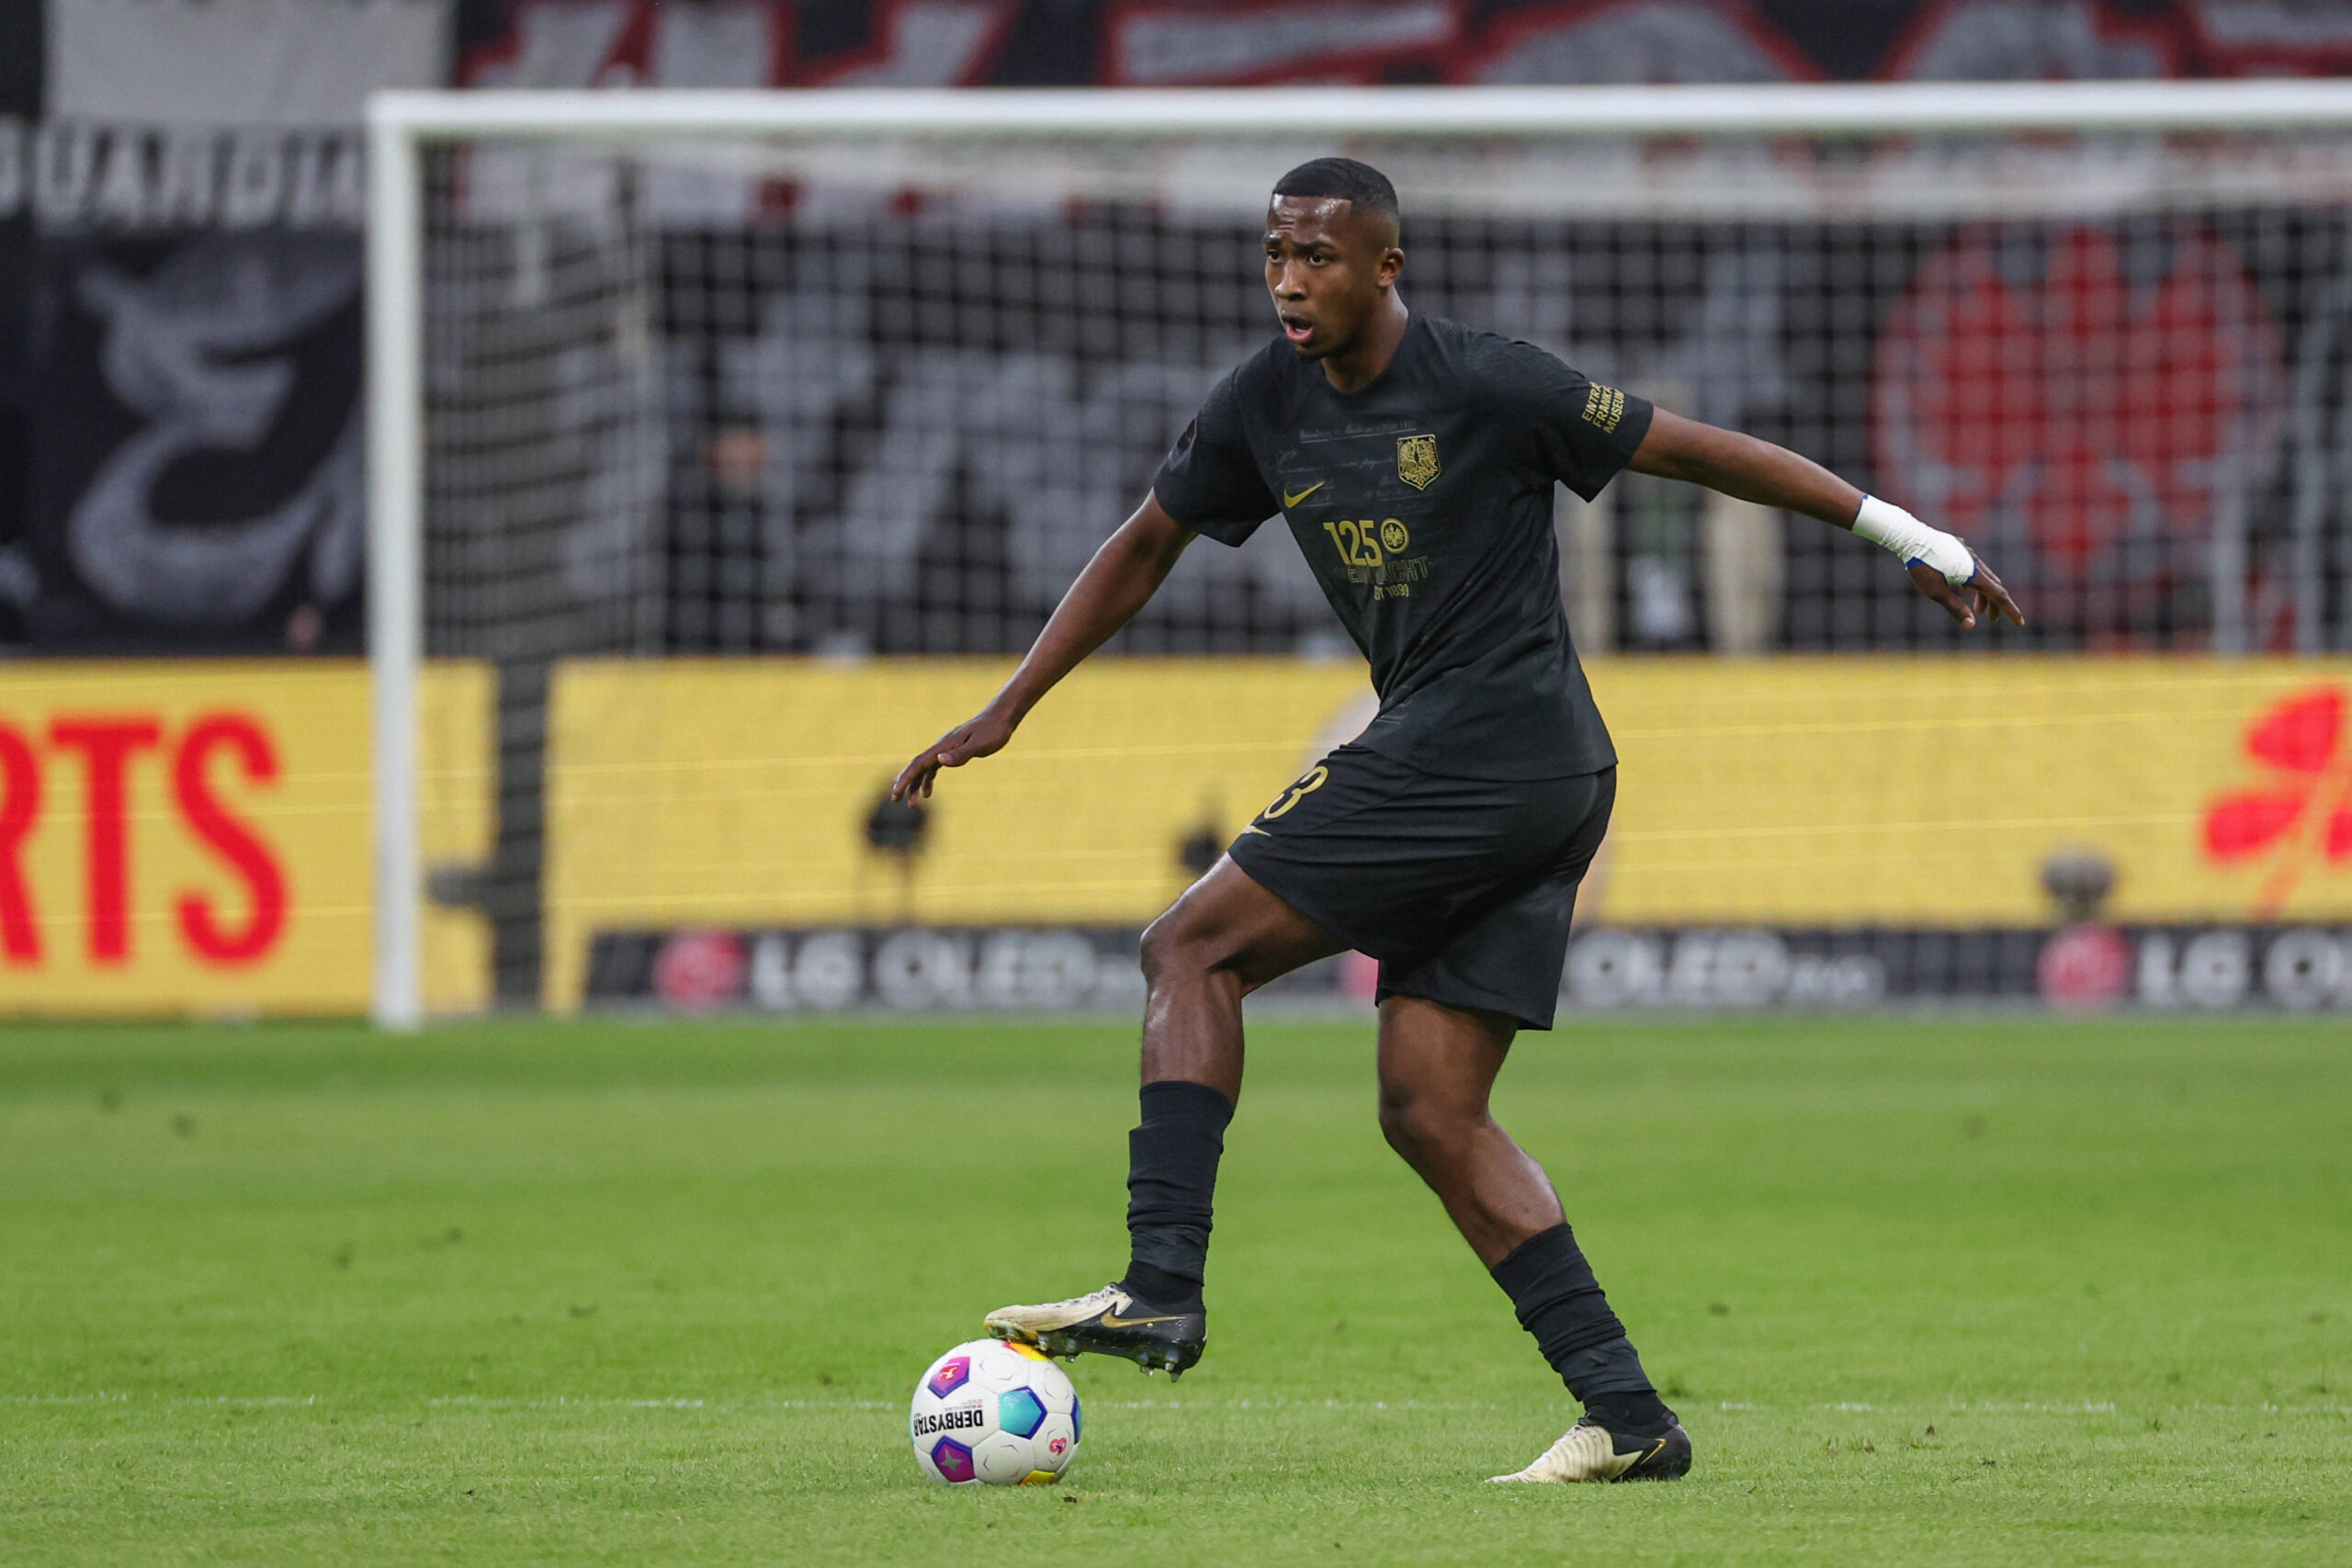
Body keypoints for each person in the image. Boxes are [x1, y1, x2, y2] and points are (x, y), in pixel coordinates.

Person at [890, 157, 2023, 1484]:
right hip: (1530, 775)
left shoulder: (1490, 382)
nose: (1289, 281)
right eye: (1273, 255)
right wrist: (1013, 703)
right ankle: (1629, 1416)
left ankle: (1159, 1281)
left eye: (1318, 256)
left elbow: (1701, 452)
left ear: (1387, 265)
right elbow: (1148, 541)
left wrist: (1911, 535)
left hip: (1488, 748)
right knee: (1432, 1109)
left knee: (1189, 948)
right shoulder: (1263, 401)